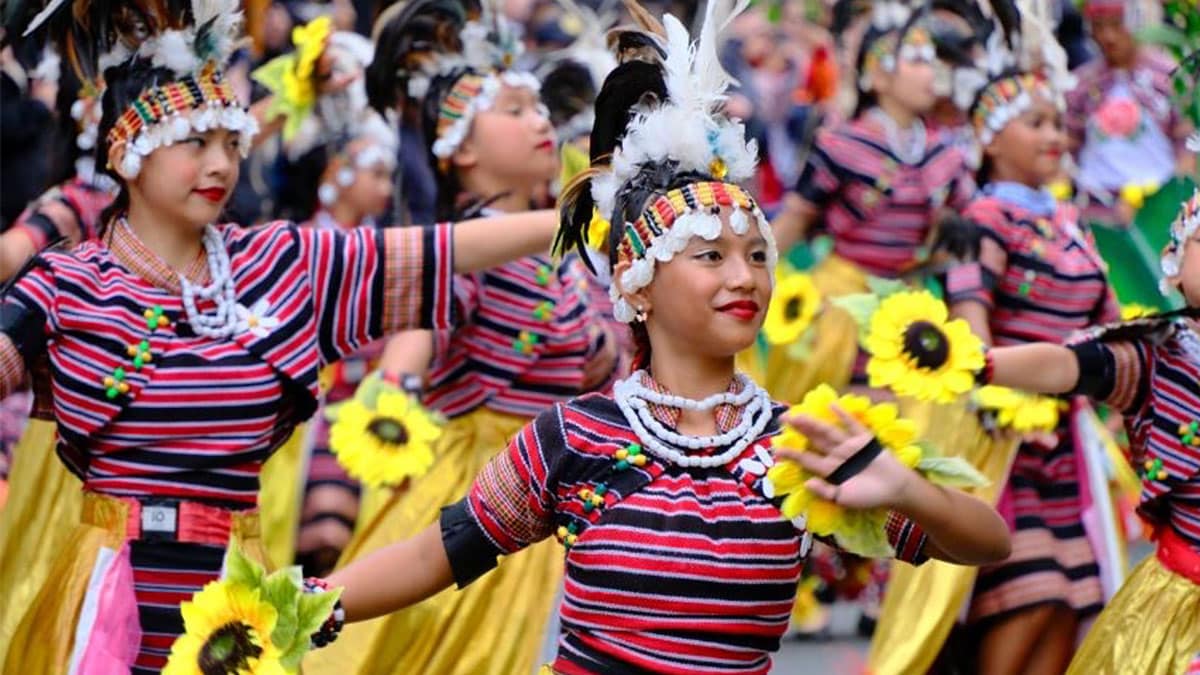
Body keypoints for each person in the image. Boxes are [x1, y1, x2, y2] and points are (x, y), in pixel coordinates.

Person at [321, 3, 1010, 673]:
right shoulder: (573, 437)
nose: (744, 276)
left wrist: (906, 488)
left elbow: (986, 542)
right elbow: (436, 555)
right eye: (710, 255)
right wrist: (304, 605)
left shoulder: (798, 446)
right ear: (637, 282)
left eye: (758, 254)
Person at [0, 0, 562, 670]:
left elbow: (439, 250)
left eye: (231, 143)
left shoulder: (279, 263)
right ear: (126, 151)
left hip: (236, 601)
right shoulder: (66, 283)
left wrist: (577, 220)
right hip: (101, 599)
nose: (221, 164)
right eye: (195, 143)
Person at [305, 3, 622, 672]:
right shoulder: (469, 253)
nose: (539, 121)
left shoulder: (562, 254)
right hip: (473, 491)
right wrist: (392, 393)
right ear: (462, 151)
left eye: (539, 109)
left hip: (549, 485)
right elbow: (419, 331)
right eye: (514, 110)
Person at [977, 187, 1200, 675]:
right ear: (1176, 261)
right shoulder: (1158, 355)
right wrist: (982, 364)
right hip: (1180, 607)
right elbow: (1067, 365)